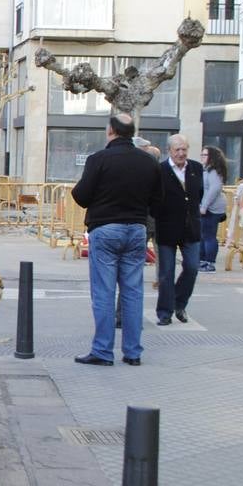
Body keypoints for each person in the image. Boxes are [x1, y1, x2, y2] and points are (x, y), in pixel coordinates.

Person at [70, 113, 161, 365]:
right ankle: (133, 352)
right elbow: (157, 199)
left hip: (106, 228)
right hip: (136, 230)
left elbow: (82, 195)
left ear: (111, 131)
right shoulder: (148, 161)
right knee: (133, 292)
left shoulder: (99, 160)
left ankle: (102, 351)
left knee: (104, 292)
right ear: (131, 132)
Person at [154, 135, 203, 325]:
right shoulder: (160, 170)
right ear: (169, 151)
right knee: (166, 273)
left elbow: (198, 193)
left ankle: (179, 303)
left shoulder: (196, 168)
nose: (181, 153)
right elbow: (154, 198)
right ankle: (164, 312)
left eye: (184, 149)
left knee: (192, 267)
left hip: (190, 228)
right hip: (167, 227)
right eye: (177, 150)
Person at [198, 146, 229, 272]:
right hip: (207, 206)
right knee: (203, 234)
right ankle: (202, 260)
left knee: (208, 235)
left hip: (212, 208)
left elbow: (214, 189)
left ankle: (209, 262)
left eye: (205, 155)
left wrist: (204, 206)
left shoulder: (213, 171)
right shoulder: (207, 170)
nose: (202, 157)